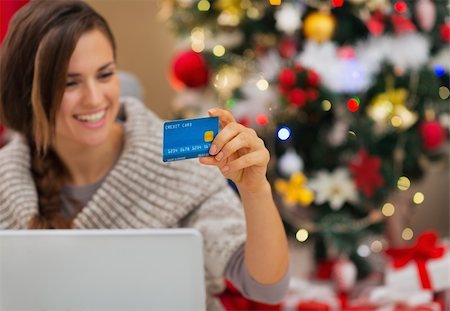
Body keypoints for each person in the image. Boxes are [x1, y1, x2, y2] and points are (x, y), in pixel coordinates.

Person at [0, 0, 290, 309]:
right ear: (26, 91)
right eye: (69, 83)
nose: (95, 98)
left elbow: (266, 287)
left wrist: (255, 190)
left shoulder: (180, 164)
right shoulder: (7, 181)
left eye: (105, 74)